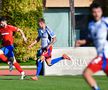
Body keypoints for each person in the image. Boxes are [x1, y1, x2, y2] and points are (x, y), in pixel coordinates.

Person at [76, 3, 108, 90]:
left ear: (102, 12)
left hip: (104, 56)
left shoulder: (106, 21)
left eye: (98, 11)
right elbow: (90, 39)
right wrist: (82, 42)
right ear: (91, 13)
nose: (97, 14)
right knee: (86, 74)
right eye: (94, 12)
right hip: (102, 57)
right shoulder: (91, 25)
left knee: (86, 74)